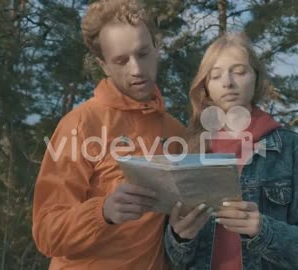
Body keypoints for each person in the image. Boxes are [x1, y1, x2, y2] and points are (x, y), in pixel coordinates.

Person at [31, 0, 186, 269]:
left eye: (143, 53)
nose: (136, 69)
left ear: (157, 49)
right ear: (103, 65)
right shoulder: (80, 125)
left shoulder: (177, 133)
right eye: (121, 60)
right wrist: (103, 212)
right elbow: (46, 232)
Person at [164, 33, 298, 269]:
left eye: (239, 72)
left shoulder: (293, 150)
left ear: (257, 78)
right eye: (215, 75)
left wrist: (262, 230)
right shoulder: (188, 150)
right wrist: (180, 237)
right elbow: (175, 259)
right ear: (206, 87)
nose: (228, 83)